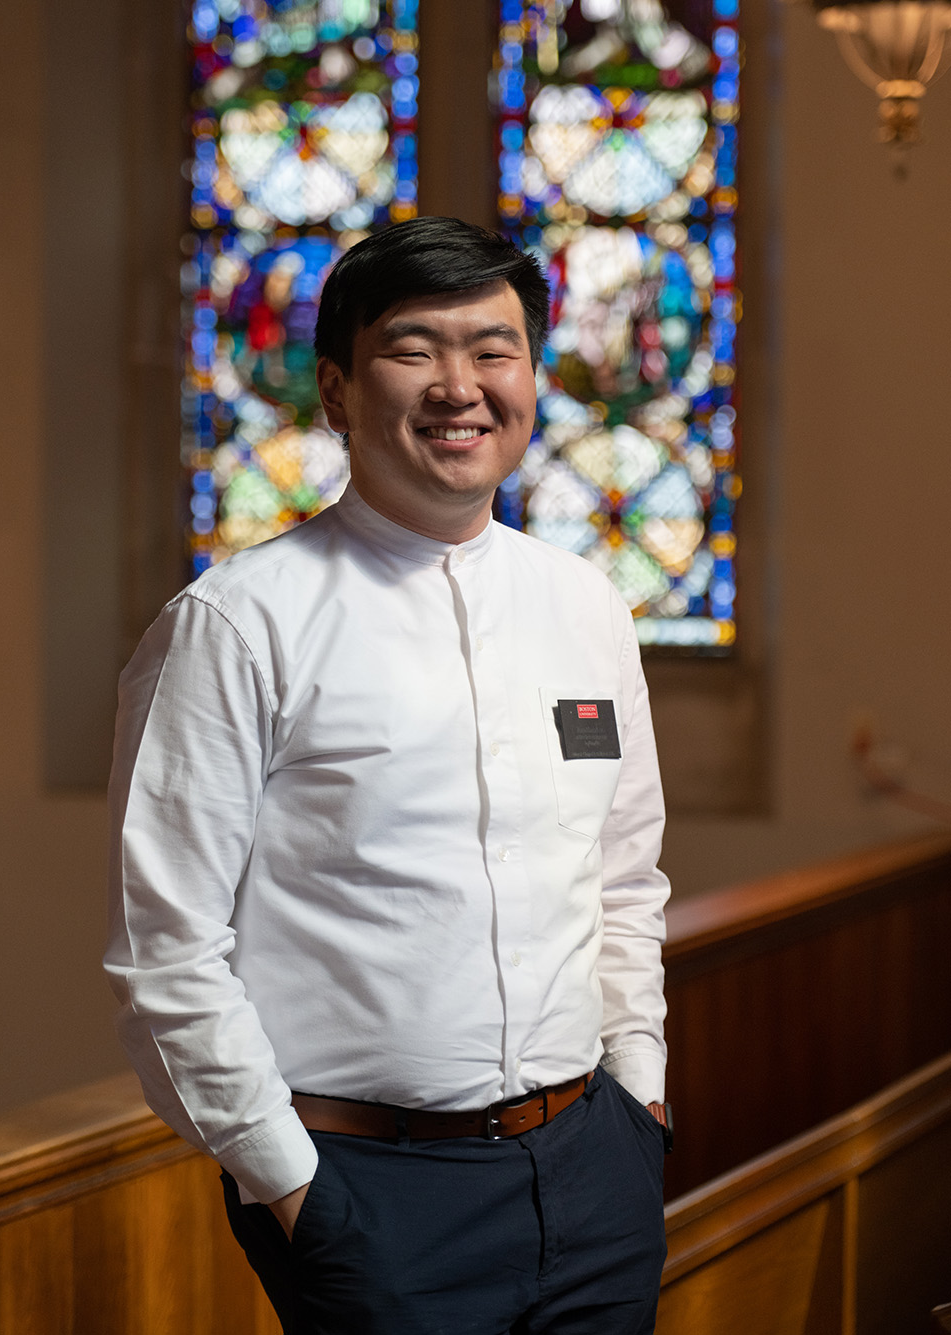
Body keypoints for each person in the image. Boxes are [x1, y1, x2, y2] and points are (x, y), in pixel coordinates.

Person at [105, 216, 671, 1335]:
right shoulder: (236, 625)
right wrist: (294, 1187)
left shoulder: (586, 607)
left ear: (532, 378)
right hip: (371, 1194)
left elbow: (622, 882)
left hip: (595, 1171)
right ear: (336, 390)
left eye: (494, 349)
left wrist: (640, 1093)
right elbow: (164, 951)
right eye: (415, 348)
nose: (460, 386)